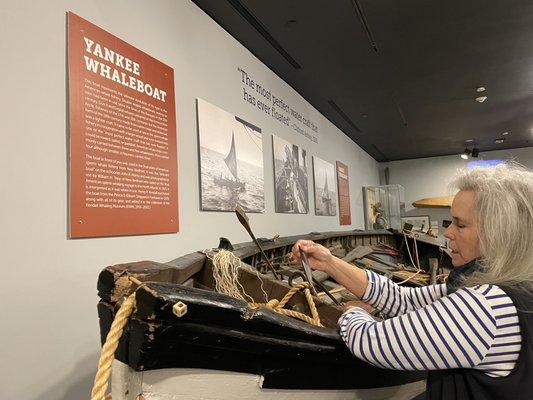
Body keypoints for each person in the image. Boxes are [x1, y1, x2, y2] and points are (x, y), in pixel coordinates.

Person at [291, 163, 533, 400]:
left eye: (460, 224)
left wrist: (350, 313)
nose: (447, 232)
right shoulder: (516, 285)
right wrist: (329, 263)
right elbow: (402, 299)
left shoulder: (485, 306)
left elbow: (371, 342)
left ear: (499, 234)